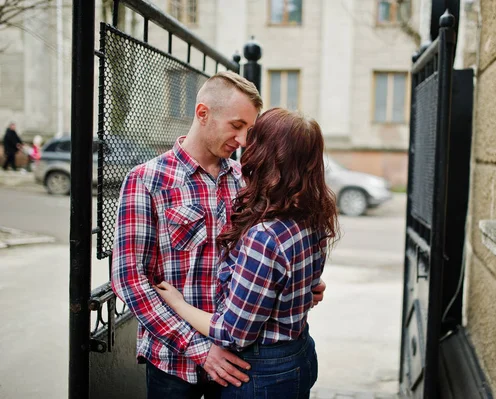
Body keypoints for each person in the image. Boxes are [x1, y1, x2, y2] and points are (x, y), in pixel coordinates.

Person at [111, 72, 327, 399]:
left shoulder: (246, 181)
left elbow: (268, 259)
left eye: (249, 131)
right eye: (236, 125)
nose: (243, 141)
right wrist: (199, 348)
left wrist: (295, 285)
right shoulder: (147, 181)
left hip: (239, 364)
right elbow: (129, 278)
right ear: (203, 114)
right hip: (175, 362)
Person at [155, 108, 339, 398]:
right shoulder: (314, 214)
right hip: (297, 351)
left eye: (252, 137)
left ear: (266, 154)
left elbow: (233, 333)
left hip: (262, 370)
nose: (243, 143)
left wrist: (178, 304)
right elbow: (298, 281)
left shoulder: (264, 236)